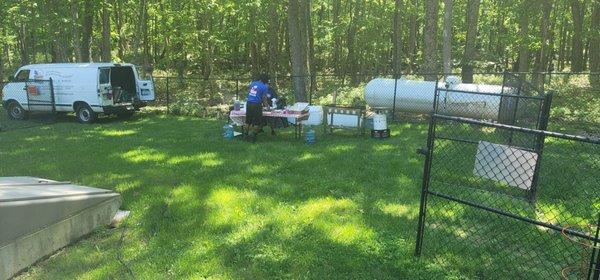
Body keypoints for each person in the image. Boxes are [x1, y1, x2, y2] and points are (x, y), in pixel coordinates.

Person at [245, 74, 269, 142]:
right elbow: (264, 98)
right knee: (256, 122)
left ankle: (245, 136)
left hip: (249, 103)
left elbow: (248, 92)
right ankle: (253, 137)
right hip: (257, 105)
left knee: (248, 121)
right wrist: (267, 106)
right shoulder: (264, 87)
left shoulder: (253, 83)